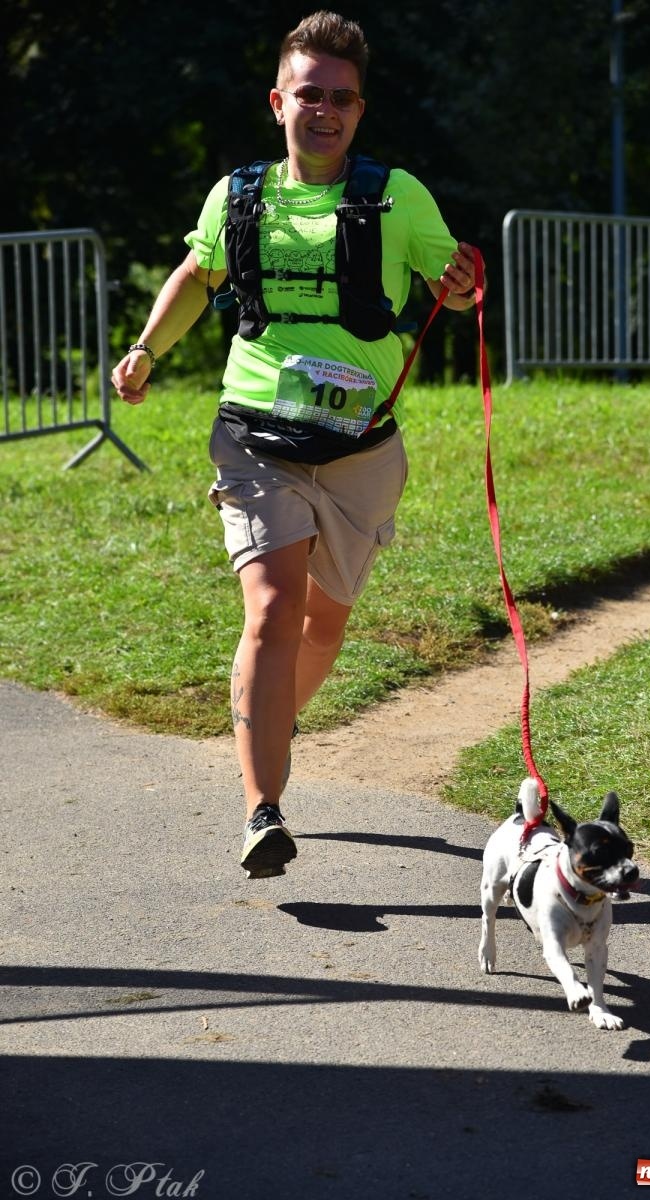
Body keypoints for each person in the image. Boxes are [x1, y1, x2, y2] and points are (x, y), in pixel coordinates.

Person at [111, 10, 476, 881]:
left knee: (324, 624)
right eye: (309, 94)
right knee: (272, 610)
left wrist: (462, 283)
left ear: (359, 110)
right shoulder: (238, 197)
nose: (325, 110)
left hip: (360, 452)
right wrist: (146, 349)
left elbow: (450, 285)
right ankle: (261, 808)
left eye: (341, 99)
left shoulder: (397, 195)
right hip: (255, 439)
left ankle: (264, 722)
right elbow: (200, 275)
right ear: (279, 101)